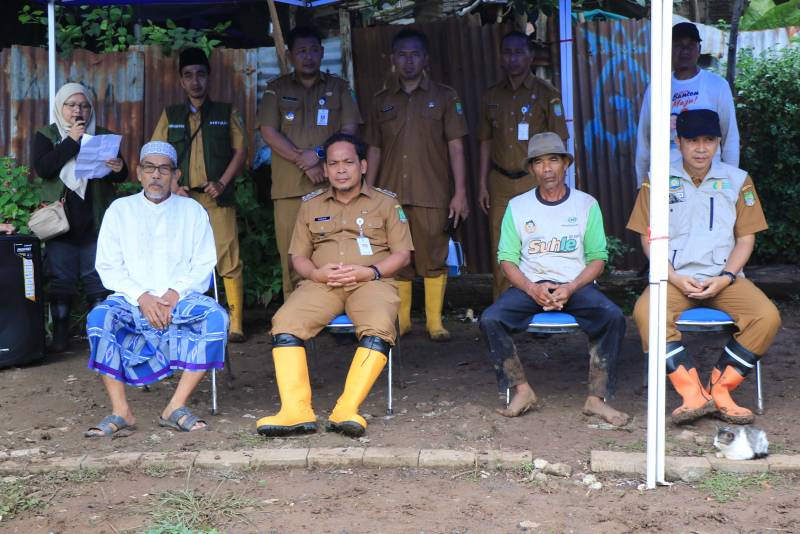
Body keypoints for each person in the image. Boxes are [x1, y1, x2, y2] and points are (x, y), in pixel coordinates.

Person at [628, 109, 780, 425]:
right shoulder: (657, 179)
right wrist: (672, 277)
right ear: (679, 142)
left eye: (709, 140)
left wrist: (726, 277)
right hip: (675, 277)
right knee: (647, 313)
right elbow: (647, 237)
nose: (701, 148)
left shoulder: (738, 180)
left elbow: (745, 239)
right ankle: (692, 395)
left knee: (766, 317)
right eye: (692, 140)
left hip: (724, 278)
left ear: (718, 142)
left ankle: (720, 390)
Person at [256, 133, 413, 438]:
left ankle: (346, 410)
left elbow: (402, 254)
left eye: (348, 162)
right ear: (325, 169)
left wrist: (370, 272)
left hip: (371, 283)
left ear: (363, 166)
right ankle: (295, 411)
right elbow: (298, 257)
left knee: (379, 326)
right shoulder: (310, 205)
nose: (341, 169)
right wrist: (316, 274)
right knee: (285, 322)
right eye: (333, 163)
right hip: (322, 284)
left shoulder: (386, 203)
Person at [479, 132, 629, 426]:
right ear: (531, 169)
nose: (546, 168)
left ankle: (596, 399)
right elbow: (506, 259)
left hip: (575, 284)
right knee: (490, 320)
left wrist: (571, 287)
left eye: (553, 160)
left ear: (565, 164)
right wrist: (530, 288)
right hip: (530, 285)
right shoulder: (518, 206)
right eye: (538, 162)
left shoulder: (586, 204)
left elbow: (598, 258)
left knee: (612, 317)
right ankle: (522, 390)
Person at [84, 141, 228, 437]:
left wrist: (174, 294)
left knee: (217, 318)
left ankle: (175, 407)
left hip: (182, 298)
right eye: (149, 168)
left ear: (176, 175)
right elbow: (108, 265)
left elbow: (204, 263)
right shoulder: (120, 210)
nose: (156, 175)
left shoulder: (192, 210)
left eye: (164, 169)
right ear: (139, 173)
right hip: (131, 299)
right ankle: (121, 411)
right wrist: (142, 297)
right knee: (99, 319)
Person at [365, 28, 469, 341]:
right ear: (393, 59)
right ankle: (404, 322)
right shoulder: (381, 101)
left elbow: (456, 146)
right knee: (396, 260)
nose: (408, 61)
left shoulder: (445, 97)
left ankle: (435, 323)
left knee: (434, 257)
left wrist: (460, 192)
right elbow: (374, 149)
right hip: (389, 195)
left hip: (432, 193)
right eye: (402, 54)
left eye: (415, 54)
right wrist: (366, 193)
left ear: (426, 59)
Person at [258, 25, 362, 300]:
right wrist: (304, 161)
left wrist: (318, 154)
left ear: (322, 52)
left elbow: (350, 128)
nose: (308, 56)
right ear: (290, 55)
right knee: (291, 253)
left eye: (314, 50)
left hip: (330, 187)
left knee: (332, 250)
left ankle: (331, 309)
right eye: (302, 51)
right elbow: (268, 132)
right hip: (289, 189)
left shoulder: (339, 87)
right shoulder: (276, 89)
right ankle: (294, 310)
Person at [151, 48, 247, 342]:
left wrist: (223, 183)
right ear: (181, 81)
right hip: (181, 200)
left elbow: (241, 151)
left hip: (216, 197)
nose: (195, 81)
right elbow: (157, 154)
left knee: (228, 255)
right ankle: (179, 316)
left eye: (201, 75)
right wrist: (172, 186)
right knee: (180, 257)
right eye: (189, 75)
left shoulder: (225, 112)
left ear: (209, 78)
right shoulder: (171, 115)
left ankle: (236, 323)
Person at [33, 82, 128, 353]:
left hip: (95, 220)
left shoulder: (103, 135)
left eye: (84, 106)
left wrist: (119, 167)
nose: (78, 111)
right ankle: (60, 337)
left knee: (97, 280)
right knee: (60, 281)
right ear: (60, 107)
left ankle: (100, 338)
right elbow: (43, 169)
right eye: (72, 105)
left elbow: (121, 175)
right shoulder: (47, 135)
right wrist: (71, 141)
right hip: (61, 223)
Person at [478, 31, 569, 300]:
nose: (512, 58)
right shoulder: (491, 95)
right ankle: (503, 306)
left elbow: (560, 143)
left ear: (530, 57)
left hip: (535, 182)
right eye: (507, 52)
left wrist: (558, 186)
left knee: (537, 244)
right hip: (500, 182)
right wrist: (482, 184)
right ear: (500, 58)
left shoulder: (547, 94)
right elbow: (485, 141)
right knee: (501, 247)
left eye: (519, 52)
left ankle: (539, 302)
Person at [635, 21, 739, 187]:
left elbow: (730, 137)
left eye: (690, 45)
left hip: (709, 182)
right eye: (678, 45)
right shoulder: (657, 88)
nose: (684, 50)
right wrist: (642, 185)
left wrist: (732, 185)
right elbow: (644, 140)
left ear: (699, 49)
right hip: (666, 183)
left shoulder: (717, 86)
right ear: (668, 49)